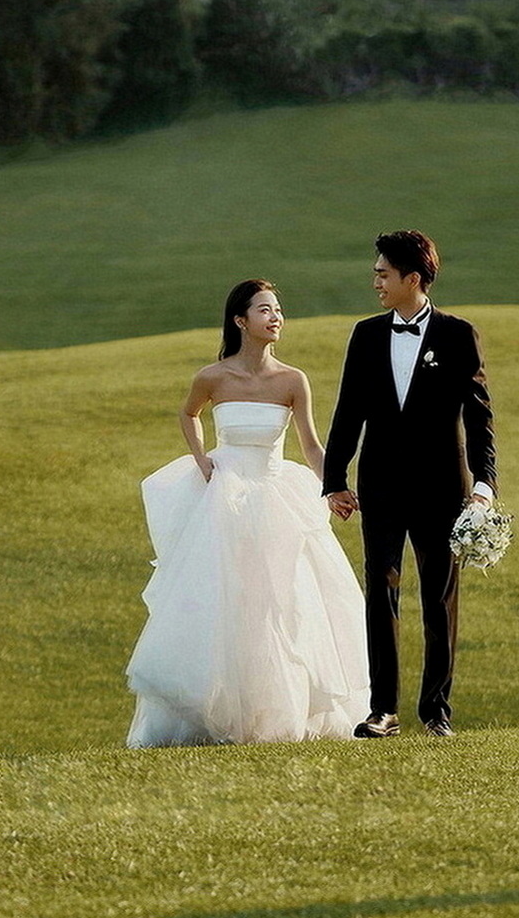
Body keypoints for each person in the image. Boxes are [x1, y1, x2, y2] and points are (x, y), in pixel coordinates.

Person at [126, 280, 370, 747]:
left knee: (282, 604)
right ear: (241, 320)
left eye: (278, 310)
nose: (276, 317)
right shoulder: (213, 377)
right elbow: (189, 414)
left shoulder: (292, 380)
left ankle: (272, 715)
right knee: (222, 601)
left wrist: (334, 485)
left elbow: (310, 444)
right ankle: (214, 715)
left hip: (277, 497)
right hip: (226, 498)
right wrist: (202, 460)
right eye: (264, 310)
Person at [323, 231, 497, 739]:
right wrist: (334, 478)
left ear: (412, 278)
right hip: (379, 485)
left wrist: (485, 484)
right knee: (381, 591)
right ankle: (383, 710)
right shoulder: (366, 335)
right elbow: (348, 411)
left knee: (440, 599)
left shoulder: (459, 334)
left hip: (442, 488)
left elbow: (479, 417)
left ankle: (436, 712)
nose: (375, 282)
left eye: (383, 274)